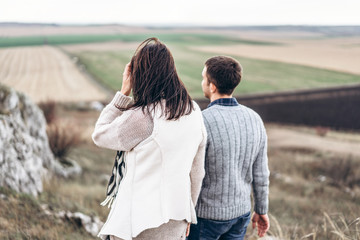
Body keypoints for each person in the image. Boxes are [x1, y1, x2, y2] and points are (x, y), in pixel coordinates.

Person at [92, 38, 207, 240]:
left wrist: (122, 94)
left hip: (137, 223)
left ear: (140, 75)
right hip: (177, 218)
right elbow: (197, 172)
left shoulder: (143, 116)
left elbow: (100, 135)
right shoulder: (193, 111)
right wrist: (189, 214)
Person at [188, 56, 270, 240]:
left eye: (204, 78)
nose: (202, 82)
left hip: (205, 217)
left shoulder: (202, 121)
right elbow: (261, 172)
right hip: (240, 215)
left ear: (213, 86)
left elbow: (192, 172)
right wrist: (261, 209)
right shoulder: (254, 118)